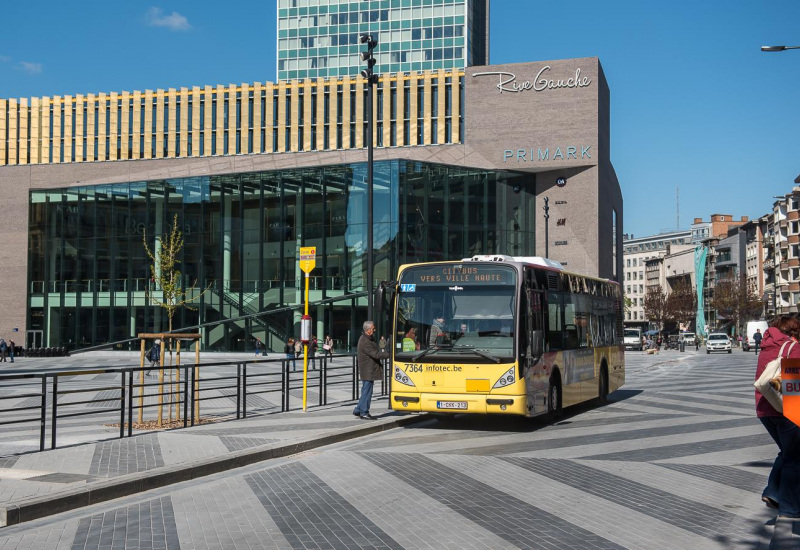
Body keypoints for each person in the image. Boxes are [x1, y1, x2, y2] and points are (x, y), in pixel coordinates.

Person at [754, 315, 800, 520]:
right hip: (786, 410)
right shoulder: (792, 347)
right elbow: (793, 386)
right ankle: (790, 507)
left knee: (787, 451)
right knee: (794, 457)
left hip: (764, 409)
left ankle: (773, 492)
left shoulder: (767, 346)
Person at [353, 320, 389, 420]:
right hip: (368, 370)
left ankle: (358, 410)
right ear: (368, 330)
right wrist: (389, 354)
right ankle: (364, 412)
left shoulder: (367, 338)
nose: (374, 330)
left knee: (366, 390)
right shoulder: (365, 341)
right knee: (367, 391)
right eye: (373, 329)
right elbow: (375, 354)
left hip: (368, 369)